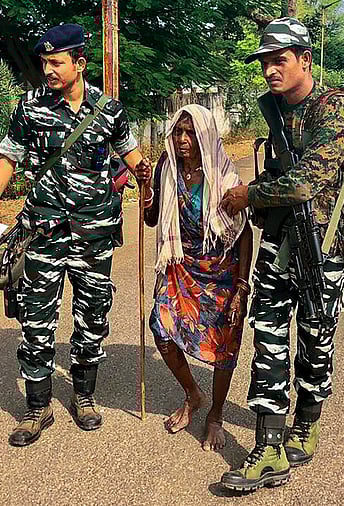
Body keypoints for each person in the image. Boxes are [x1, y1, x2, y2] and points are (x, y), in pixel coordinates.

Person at [0, 24, 152, 447]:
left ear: (79, 63)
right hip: (44, 233)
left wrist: (145, 177)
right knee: (36, 323)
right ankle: (37, 408)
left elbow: (133, 156)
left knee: (92, 320)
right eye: (44, 62)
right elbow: (8, 159)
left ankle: (85, 397)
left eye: (56, 62)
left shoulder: (109, 110)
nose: (48, 69)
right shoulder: (29, 107)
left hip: (95, 234)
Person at [217, 17, 344, 492]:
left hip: (325, 243)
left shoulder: (334, 108)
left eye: (278, 60)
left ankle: (308, 420)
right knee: (267, 334)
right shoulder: (274, 111)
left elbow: (306, 182)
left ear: (304, 59)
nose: (269, 71)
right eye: (263, 62)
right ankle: (269, 446)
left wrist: (251, 195)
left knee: (316, 336)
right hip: (279, 241)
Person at [144, 105, 253, 452]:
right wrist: (146, 187)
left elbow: (244, 233)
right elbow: (150, 219)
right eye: (178, 132)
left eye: (190, 133)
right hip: (182, 266)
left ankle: (216, 414)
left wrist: (241, 286)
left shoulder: (223, 176)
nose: (182, 139)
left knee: (223, 346)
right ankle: (193, 394)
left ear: (204, 136)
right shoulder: (167, 167)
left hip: (222, 271)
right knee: (160, 329)